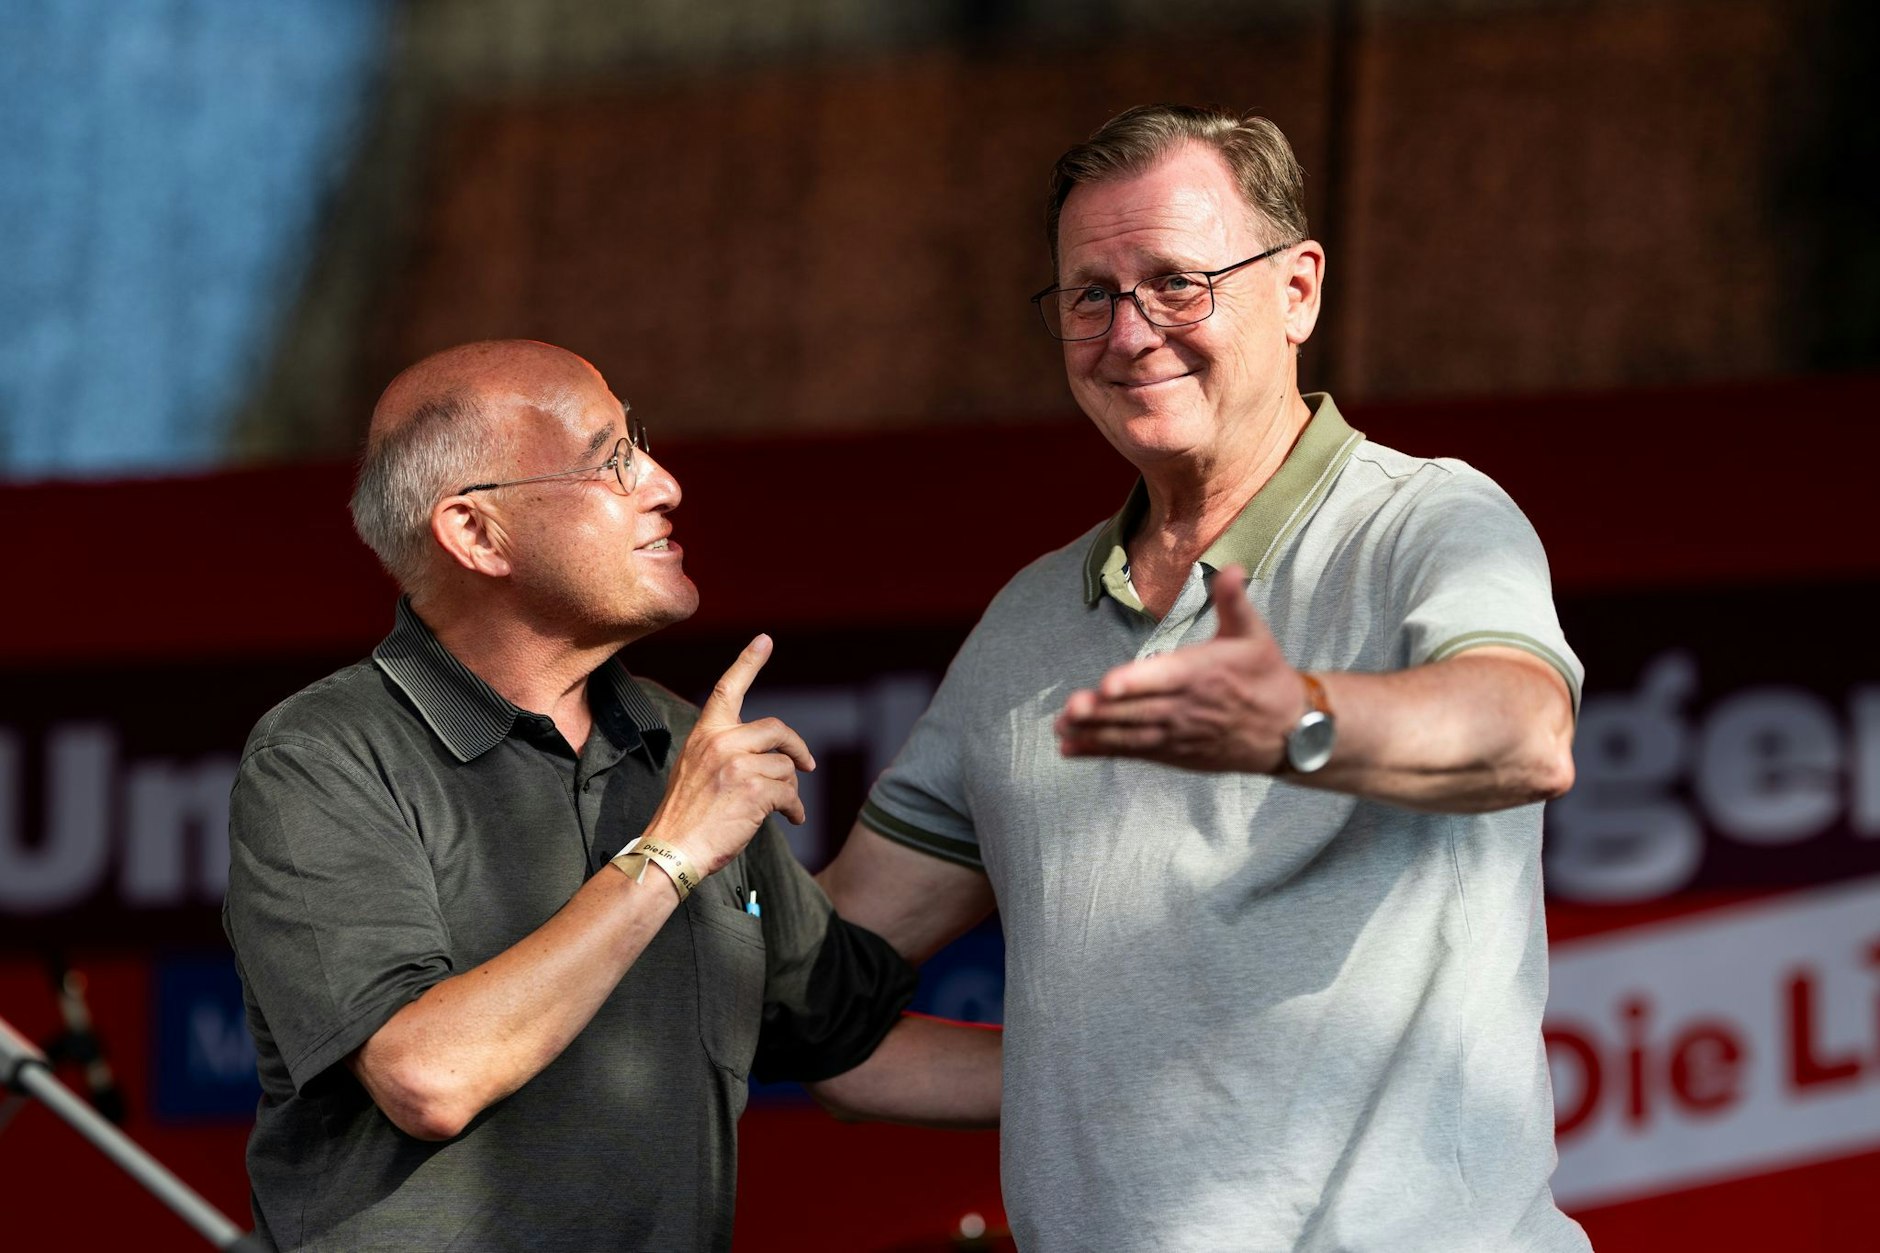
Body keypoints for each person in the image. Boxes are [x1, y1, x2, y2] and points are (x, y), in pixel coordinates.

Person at [820, 105, 1590, 1251]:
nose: (1129, 333)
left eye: (1176, 283)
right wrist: (684, 854)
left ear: (1297, 291)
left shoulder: (1424, 518)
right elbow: (821, 992)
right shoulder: (1028, 620)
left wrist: (1299, 720)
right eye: (1089, 294)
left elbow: (1522, 733)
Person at [223, 340, 999, 1252]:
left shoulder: (684, 747)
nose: (665, 484)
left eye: (644, 445)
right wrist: (670, 854)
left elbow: (846, 1045)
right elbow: (428, 1075)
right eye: (611, 461)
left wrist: (1127, 1068)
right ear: (476, 534)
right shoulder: (324, 753)